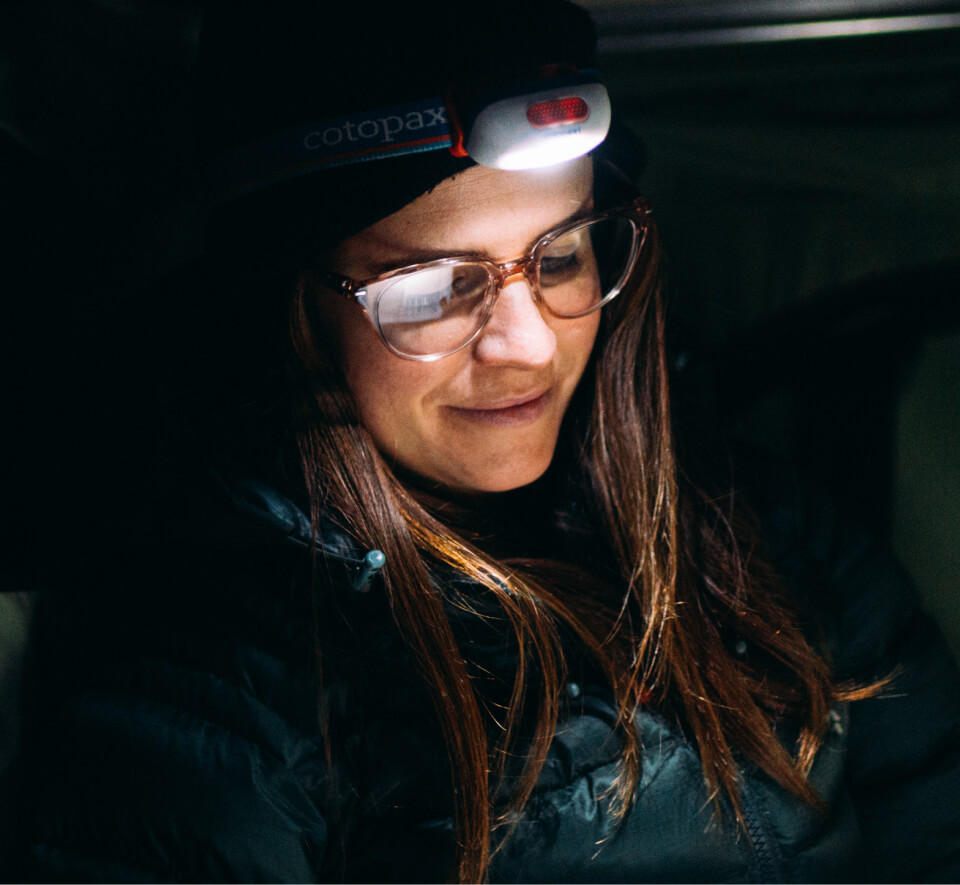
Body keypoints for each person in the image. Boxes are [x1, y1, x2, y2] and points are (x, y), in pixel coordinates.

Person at [12, 0, 960, 882]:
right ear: (288, 311)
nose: (532, 343)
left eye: (559, 256)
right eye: (429, 288)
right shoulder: (213, 692)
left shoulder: (762, 533)